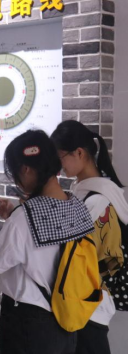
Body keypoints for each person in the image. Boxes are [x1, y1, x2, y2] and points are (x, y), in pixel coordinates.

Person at [0, 130, 96, 354]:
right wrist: (13, 212)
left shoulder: (24, 218)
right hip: (66, 318)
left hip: (28, 324)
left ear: (26, 169)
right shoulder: (76, 205)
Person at [52, 120, 128, 354]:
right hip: (87, 301)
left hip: (89, 305)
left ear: (80, 153)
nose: (58, 165)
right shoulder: (89, 190)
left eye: (60, 157)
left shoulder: (96, 200)